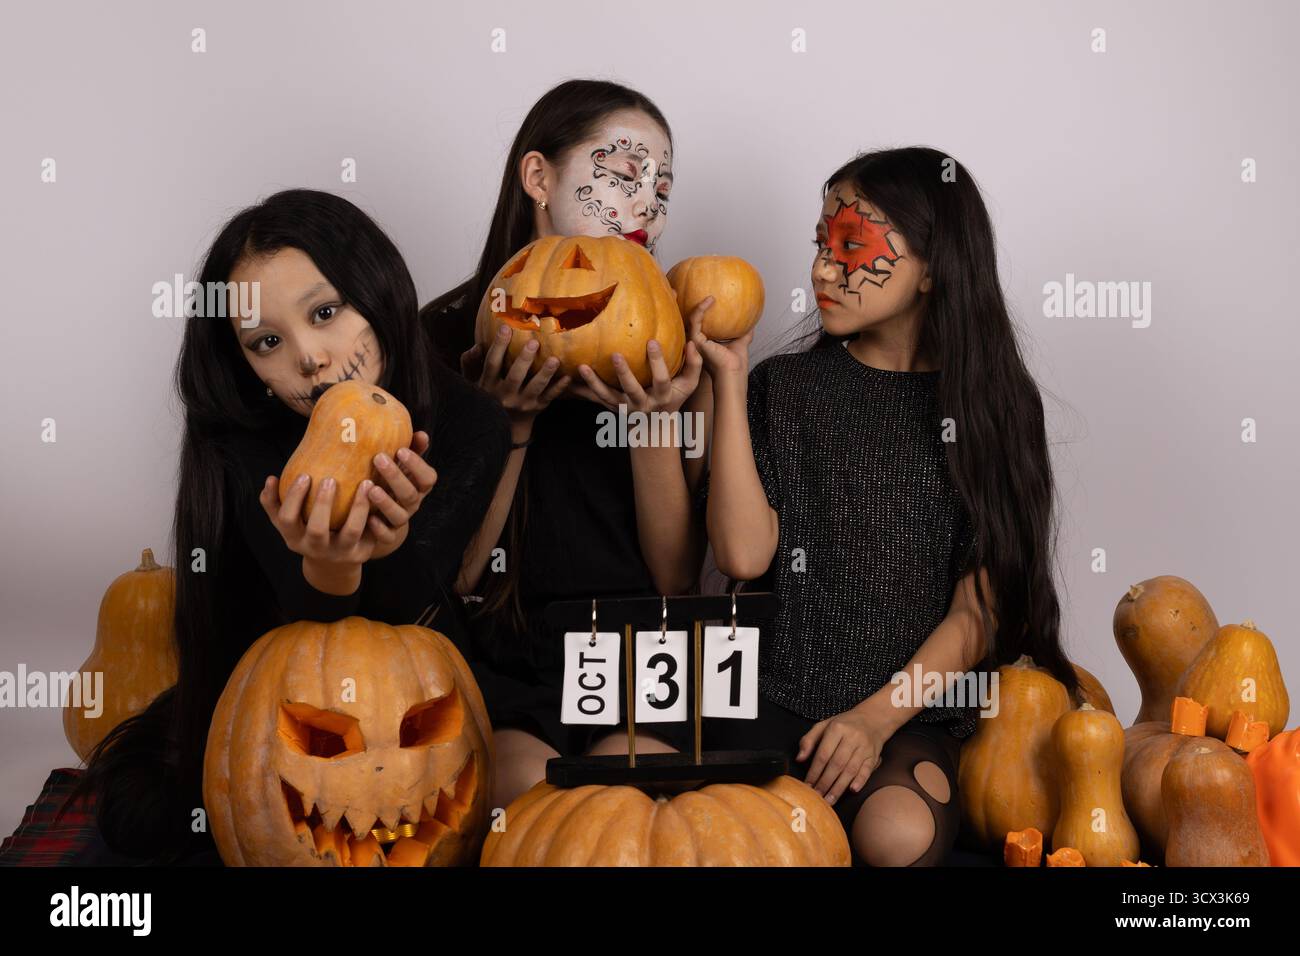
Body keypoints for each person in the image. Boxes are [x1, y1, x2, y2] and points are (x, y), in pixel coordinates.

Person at [63, 189, 510, 864]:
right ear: (248, 367)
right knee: (149, 823)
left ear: (379, 294)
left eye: (326, 313)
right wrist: (331, 567)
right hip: (265, 710)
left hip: (411, 698)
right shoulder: (246, 440)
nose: (310, 357)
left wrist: (386, 550)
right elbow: (294, 634)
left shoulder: (470, 422)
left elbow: (414, 634)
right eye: (267, 342)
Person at [697, 147, 1079, 866]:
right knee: (743, 839)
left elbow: (979, 612)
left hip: (911, 709)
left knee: (898, 834)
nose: (821, 268)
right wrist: (730, 379)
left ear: (933, 267)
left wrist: (874, 721)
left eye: (851, 246)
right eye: (820, 244)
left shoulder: (993, 409)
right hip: (779, 688)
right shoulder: (782, 389)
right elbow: (744, 556)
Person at [422, 79, 710, 811]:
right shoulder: (444, 336)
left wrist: (651, 423)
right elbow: (456, 576)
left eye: (662, 189)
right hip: (506, 654)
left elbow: (676, 580)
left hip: (639, 656)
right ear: (538, 178)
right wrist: (507, 425)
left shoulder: (670, 343)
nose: (644, 208)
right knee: (528, 803)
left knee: (620, 809)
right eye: (620, 177)